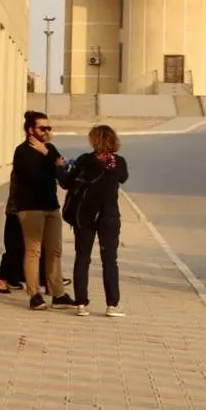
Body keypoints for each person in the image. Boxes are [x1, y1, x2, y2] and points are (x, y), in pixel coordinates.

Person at [11, 111, 76, 310]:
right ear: (31, 130)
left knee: (55, 251)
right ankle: (34, 295)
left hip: (51, 206)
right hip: (31, 208)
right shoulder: (22, 151)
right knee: (34, 251)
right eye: (42, 128)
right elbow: (35, 178)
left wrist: (49, 155)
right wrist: (52, 161)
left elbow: (62, 173)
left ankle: (58, 294)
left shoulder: (50, 149)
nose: (47, 131)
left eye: (49, 128)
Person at [62, 125, 128, 317]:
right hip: (109, 216)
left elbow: (67, 183)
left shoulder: (85, 160)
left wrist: (61, 168)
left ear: (94, 140)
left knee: (82, 258)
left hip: (85, 216)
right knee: (110, 260)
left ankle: (81, 303)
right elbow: (123, 178)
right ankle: (112, 305)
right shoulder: (119, 162)